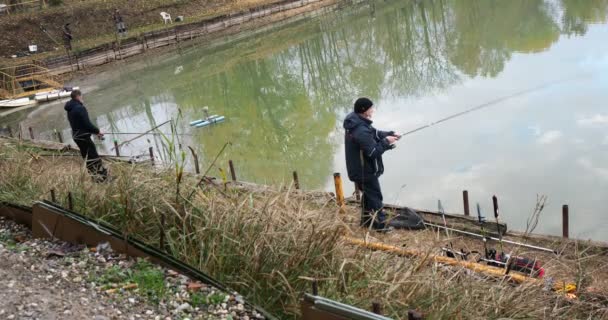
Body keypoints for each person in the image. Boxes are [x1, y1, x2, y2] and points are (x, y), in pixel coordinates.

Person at [344, 97, 400, 231]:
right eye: (371, 108)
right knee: (375, 195)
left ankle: (365, 221)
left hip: (360, 169)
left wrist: (389, 134)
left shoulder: (358, 122)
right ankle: (381, 225)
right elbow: (373, 152)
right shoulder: (360, 130)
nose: (373, 110)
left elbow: (374, 133)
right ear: (364, 111)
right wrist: (386, 142)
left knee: (369, 195)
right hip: (363, 171)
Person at [65, 90, 109, 182]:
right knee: (94, 157)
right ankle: (103, 179)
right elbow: (87, 124)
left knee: (87, 157)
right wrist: (97, 131)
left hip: (76, 136)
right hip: (83, 136)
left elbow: (79, 124)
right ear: (78, 96)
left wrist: (94, 132)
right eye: (82, 96)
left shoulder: (70, 108)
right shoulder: (80, 108)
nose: (82, 98)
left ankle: (94, 177)